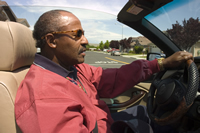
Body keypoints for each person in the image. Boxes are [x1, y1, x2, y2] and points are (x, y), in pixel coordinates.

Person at [14, 9, 193, 133]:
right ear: (52, 41)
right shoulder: (44, 97)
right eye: (77, 34)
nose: (85, 40)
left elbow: (112, 77)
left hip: (104, 123)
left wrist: (160, 64)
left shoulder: (72, 69)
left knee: (143, 112)